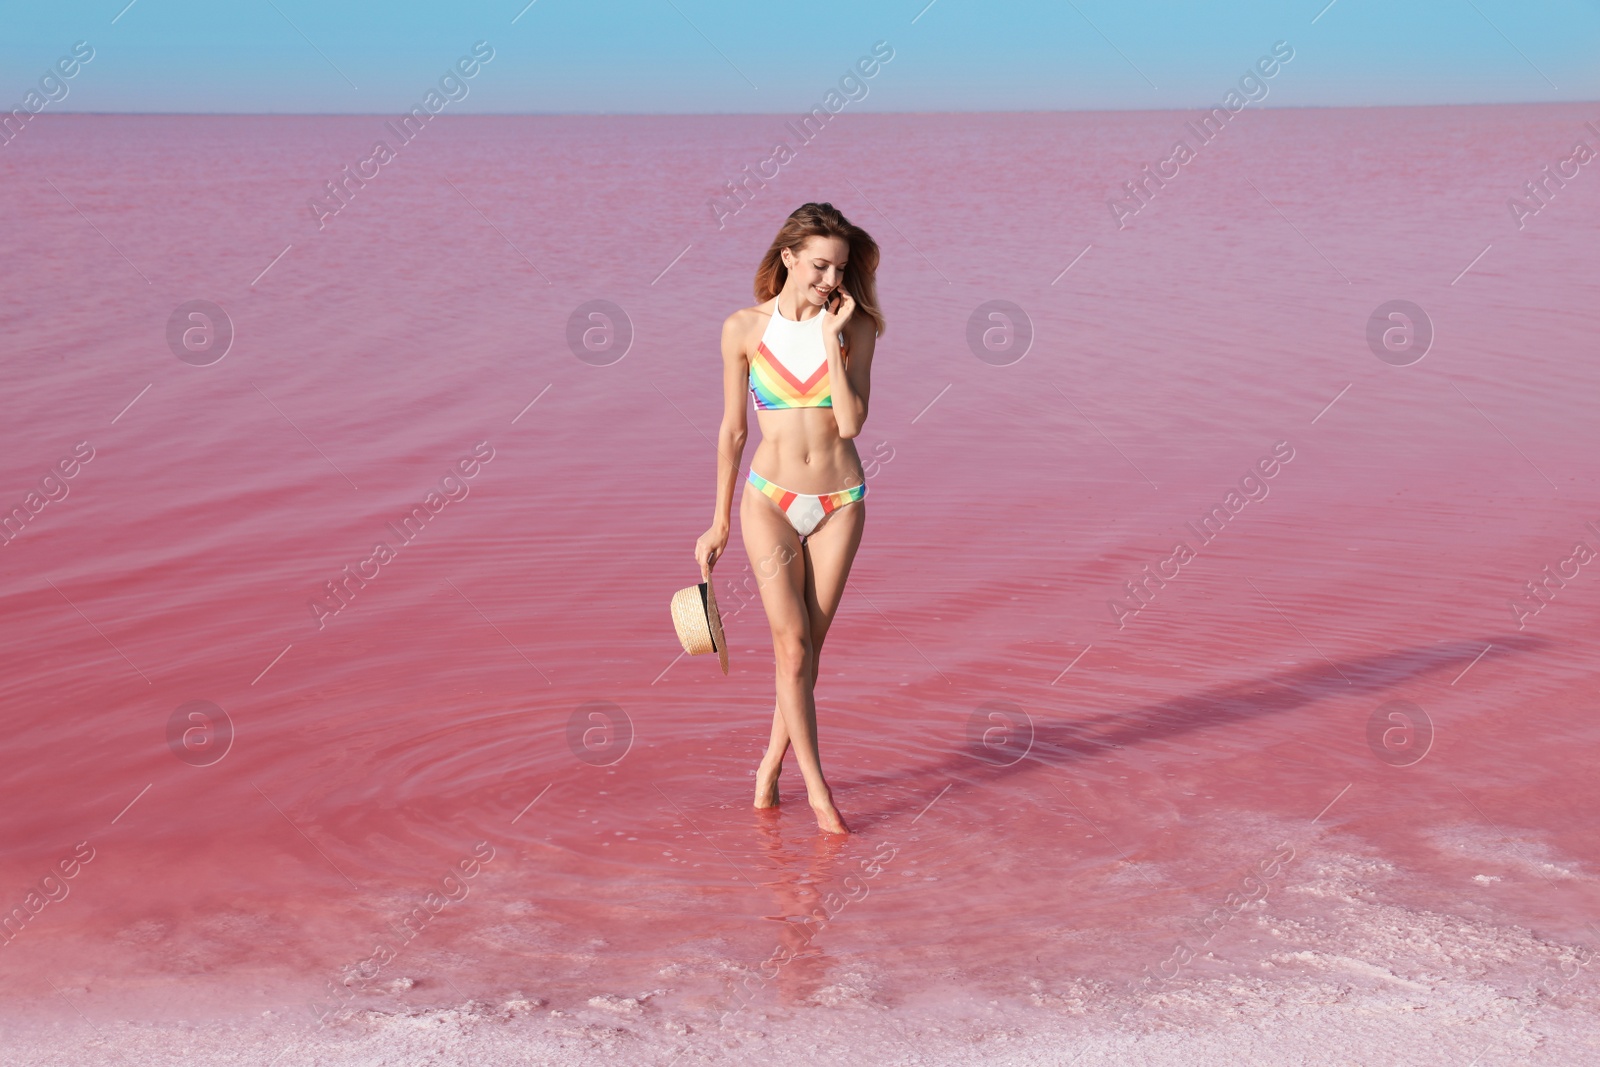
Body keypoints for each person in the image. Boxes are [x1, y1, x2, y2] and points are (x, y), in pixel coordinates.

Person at [695, 202, 885, 835]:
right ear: (788, 258)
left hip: (839, 505)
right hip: (769, 501)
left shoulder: (855, 330)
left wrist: (834, 339)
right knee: (793, 647)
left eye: (840, 269)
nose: (831, 280)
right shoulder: (743, 329)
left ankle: (768, 770)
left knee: (806, 656)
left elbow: (852, 422)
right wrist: (718, 521)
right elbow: (730, 431)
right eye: (820, 265)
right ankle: (820, 793)